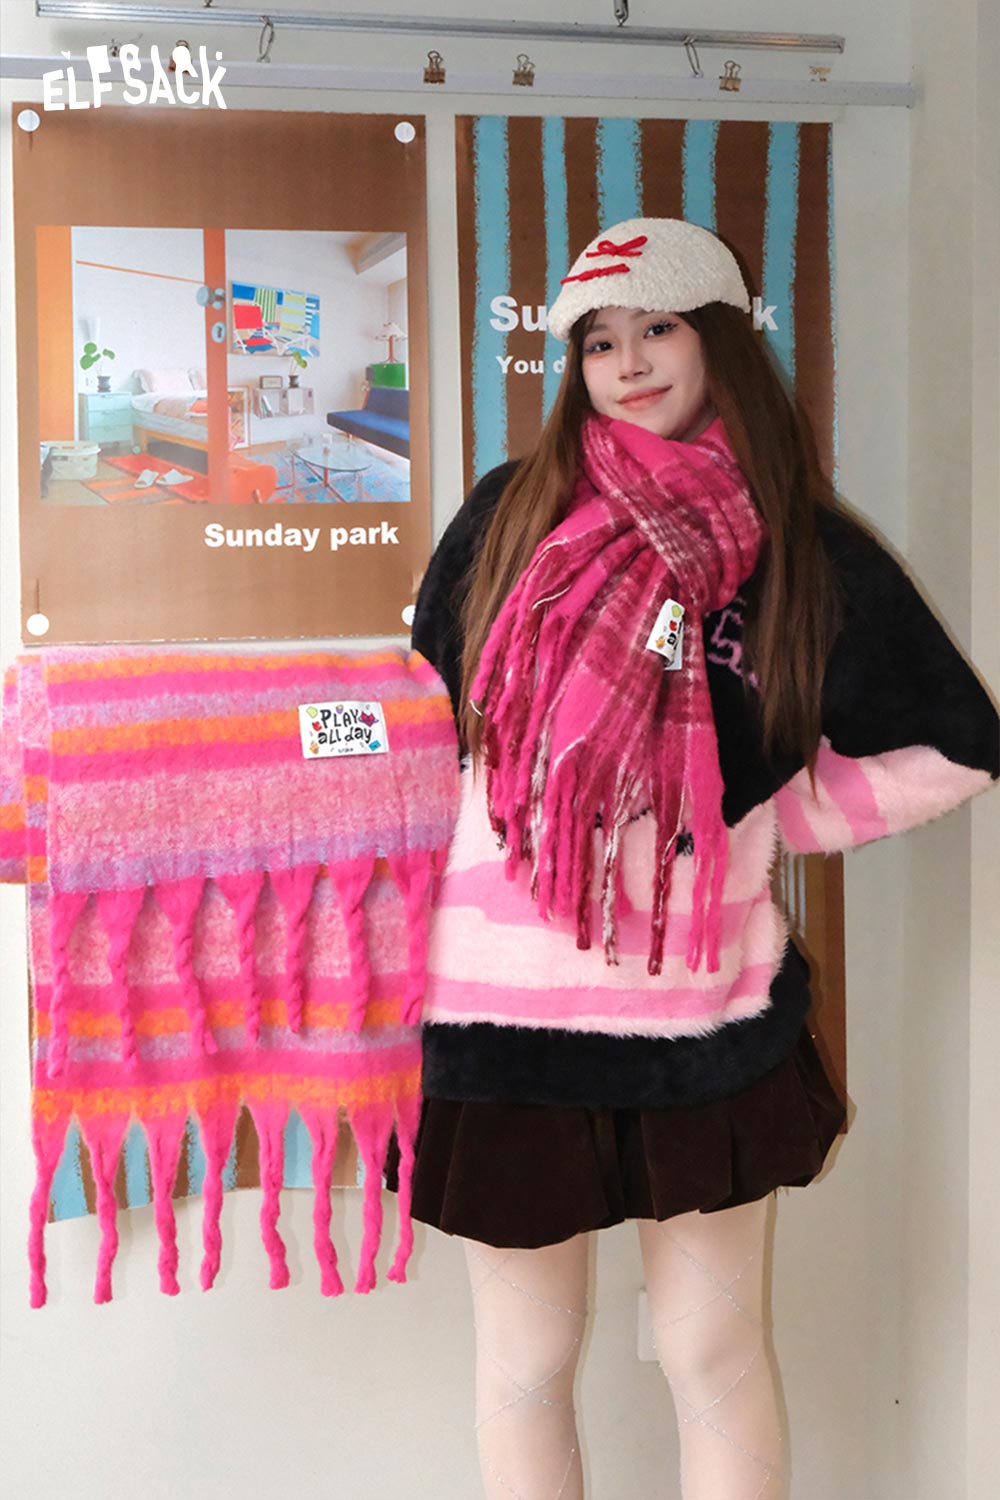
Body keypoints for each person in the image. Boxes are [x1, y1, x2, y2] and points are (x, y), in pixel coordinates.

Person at [386, 218, 999, 1500]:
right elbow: (416, 724)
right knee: (524, 1363)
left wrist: (767, 813)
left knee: (709, 1352)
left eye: (656, 328)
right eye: (598, 342)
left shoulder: (797, 545)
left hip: (699, 1021)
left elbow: (952, 743)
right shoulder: (509, 515)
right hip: (500, 1016)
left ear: (717, 335)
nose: (627, 363)